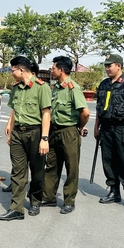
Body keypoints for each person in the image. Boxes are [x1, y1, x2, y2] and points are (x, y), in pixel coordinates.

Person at [0, 56, 51, 221]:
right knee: (18, 171)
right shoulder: (16, 88)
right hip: (18, 134)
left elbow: (46, 113)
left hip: (35, 133)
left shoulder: (42, 87)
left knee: (37, 170)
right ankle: (16, 208)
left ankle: (35, 201)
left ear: (21, 70)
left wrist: (44, 138)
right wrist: (11, 129)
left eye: (13, 69)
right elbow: (14, 110)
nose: (11, 72)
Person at [94, 54, 124, 212]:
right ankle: (113, 191)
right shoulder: (103, 85)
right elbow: (99, 108)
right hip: (106, 128)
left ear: (119, 66)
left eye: (110, 65)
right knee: (108, 160)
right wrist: (96, 127)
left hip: (123, 128)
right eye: (106, 66)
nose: (107, 68)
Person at [42, 56, 90, 214]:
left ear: (61, 70)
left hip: (69, 131)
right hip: (54, 131)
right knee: (52, 165)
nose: (52, 70)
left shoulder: (72, 88)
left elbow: (85, 112)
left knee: (71, 167)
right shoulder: (56, 87)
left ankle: (69, 201)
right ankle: (48, 197)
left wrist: (79, 127)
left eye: (54, 67)